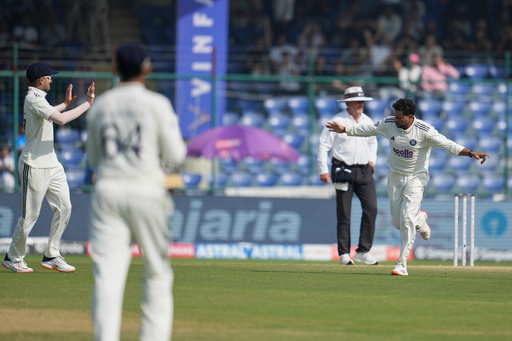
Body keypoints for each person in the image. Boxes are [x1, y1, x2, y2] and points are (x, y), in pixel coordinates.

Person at [86, 43, 187, 341]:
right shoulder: (157, 104)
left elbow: (93, 159)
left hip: (108, 189)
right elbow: (176, 154)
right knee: (156, 273)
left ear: (114, 68)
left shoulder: (101, 105)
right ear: (147, 68)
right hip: (146, 188)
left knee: (107, 275)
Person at [325, 98, 490, 276]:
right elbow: (368, 130)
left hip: (416, 178)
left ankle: (401, 264)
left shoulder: (424, 131)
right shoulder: (389, 123)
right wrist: (345, 130)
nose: (396, 120)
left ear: (410, 117)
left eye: (400, 117)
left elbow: (447, 144)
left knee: (407, 218)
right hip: (395, 178)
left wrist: (471, 153)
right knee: (399, 223)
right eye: (395, 116)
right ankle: (420, 218)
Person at [2, 62, 95, 273]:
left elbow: (51, 113)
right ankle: (13, 257)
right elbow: (60, 120)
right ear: (40, 80)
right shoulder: (32, 98)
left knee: (65, 207)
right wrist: (87, 104)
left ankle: (52, 254)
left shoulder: (39, 100)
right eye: (49, 77)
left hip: (52, 164)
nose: (52, 80)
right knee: (30, 216)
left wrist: (64, 103)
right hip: (33, 165)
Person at [317, 86, 379, 266]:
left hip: (365, 171)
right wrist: (323, 169)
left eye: (362, 101)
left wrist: (372, 161)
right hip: (343, 170)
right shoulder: (337, 121)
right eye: (357, 101)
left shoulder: (368, 121)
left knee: (372, 209)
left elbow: (373, 143)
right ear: (348, 103)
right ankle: (344, 253)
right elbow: (323, 145)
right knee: (344, 213)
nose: (361, 104)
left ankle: (363, 251)